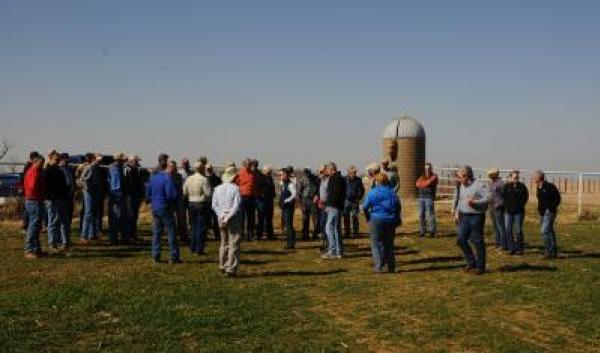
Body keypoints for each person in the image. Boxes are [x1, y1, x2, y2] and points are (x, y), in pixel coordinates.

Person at [453, 166, 490, 275]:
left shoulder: (478, 185)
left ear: (466, 176)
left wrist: (476, 202)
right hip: (464, 217)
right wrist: (456, 213)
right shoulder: (460, 186)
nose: (458, 179)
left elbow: (489, 197)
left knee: (477, 241)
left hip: (476, 216)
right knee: (461, 240)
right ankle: (471, 262)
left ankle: (480, 267)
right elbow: (459, 200)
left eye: (459, 177)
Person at [362, 172, 401, 273]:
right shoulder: (392, 193)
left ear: (377, 182)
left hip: (376, 219)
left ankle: (378, 266)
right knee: (389, 243)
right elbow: (398, 206)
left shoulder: (372, 192)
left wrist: (368, 217)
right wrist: (397, 218)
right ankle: (391, 266)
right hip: (390, 219)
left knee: (376, 244)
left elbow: (365, 207)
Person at [147, 160, 181, 264]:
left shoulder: (154, 178)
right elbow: (172, 195)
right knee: (171, 232)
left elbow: (148, 193)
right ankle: (174, 256)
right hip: (165, 207)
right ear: (170, 169)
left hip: (155, 207)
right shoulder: (168, 179)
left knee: (157, 233)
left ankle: (156, 256)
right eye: (174, 170)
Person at [212, 165, 242, 276]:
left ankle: (222, 264)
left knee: (223, 242)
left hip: (221, 217)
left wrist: (221, 216)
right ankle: (231, 268)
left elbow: (214, 205)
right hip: (232, 217)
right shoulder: (235, 189)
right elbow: (236, 206)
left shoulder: (217, 189)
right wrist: (228, 217)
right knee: (234, 242)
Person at [44, 150, 71, 252]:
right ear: (50, 158)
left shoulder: (59, 170)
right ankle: (52, 244)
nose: (58, 161)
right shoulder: (47, 171)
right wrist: (51, 197)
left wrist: (66, 195)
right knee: (53, 222)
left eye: (58, 159)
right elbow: (46, 188)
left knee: (64, 222)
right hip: (53, 200)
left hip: (62, 199)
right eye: (56, 159)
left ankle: (65, 243)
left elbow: (64, 185)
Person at [183, 161, 212, 255]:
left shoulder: (189, 179)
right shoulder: (204, 179)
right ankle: (199, 249)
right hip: (201, 204)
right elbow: (208, 194)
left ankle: (192, 247)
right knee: (201, 228)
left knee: (193, 227)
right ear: (202, 168)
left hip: (191, 203)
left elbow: (184, 192)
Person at [533, 170, 561, 258]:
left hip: (549, 212)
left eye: (534, 176)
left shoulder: (550, 186)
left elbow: (557, 198)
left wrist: (550, 208)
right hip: (542, 213)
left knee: (544, 231)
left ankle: (548, 251)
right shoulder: (539, 187)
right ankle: (553, 252)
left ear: (539, 177)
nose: (533, 178)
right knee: (549, 231)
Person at [322, 162, 346, 259]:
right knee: (336, 229)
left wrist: (329, 205)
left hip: (334, 207)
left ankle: (332, 251)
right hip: (338, 207)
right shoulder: (341, 178)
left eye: (327, 170)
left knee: (329, 228)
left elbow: (334, 194)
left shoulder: (334, 178)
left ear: (331, 169)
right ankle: (339, 251)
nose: (326, 171)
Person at [502, 170, 529, 255]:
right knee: (508, 229)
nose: (516, 179)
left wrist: (519, 206)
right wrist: (507, 207)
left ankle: (520, 248)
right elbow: (504, 198)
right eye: (514, 177)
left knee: (518, 230)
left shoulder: (522, 187)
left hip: (518, 212)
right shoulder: (506, 187)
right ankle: (511, 248)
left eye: (517, 177)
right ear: (510, 178)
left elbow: (525, 198)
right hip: (508, 212)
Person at [23, 154, 45, 259]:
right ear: (35, 162)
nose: (43, 165)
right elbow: (32, 187)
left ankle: (36, 249)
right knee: (33, 226)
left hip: (34, 200)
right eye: (41, 163)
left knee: (36, 226)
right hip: (34, 201)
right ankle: (29, 250)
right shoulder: (34, 172)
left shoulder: (34, 171)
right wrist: (40, 194)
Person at [78, 153, 102, 243]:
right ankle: (84, 236)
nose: (99, 161)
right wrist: (87, 189)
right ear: (93, 159)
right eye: (97, 159)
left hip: (95, 193)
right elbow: (81, 180)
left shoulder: (96, 168)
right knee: (88, 214)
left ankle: (92, 235)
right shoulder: (89, 168)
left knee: (94, 213)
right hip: (89, 194)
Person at [108, 153, 129, 245]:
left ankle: (122, 237)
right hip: (117, 195)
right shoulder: (115, 169)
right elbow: (117, 184)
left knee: (121, 216)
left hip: (118, 194)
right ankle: (114, 238)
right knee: (117, 216)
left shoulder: (117, 168)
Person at [236, 159, 258, 241]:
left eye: (250, 164)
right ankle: (241, 235)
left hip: (251, 197)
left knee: (251, 217)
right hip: (242, 197)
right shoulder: (240, 173)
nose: (249, 166)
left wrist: (255, 195)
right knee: (241, 218)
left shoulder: (253, 174)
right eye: (248, 164)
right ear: (244, 165)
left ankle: (250, 235)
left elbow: (254, 185)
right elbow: (236, 184)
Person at [124, 155, 145, 240]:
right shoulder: (128, 170)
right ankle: (129, 235)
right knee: (131, 216)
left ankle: (133, 234)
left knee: (134, 216)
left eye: (137, 161)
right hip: (130, 196)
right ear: (131, 161)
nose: (137, 163)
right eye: (136, 161)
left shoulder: (135, 169)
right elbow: (128, 184)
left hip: (135, 196)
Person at [416, 163, 438, 237]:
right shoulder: (421, 176)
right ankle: (422, 231)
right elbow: (417, 184)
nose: (427, 170)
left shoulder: (434, 176)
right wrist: (423, 183)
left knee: (430, 214)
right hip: (421, 197)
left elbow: (427, 183)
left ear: (431, 169)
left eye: (428, 168)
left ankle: (432, 231)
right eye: (426, 168)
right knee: (421, 214)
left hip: (429, 197)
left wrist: (423, 183)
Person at [21, 151, 42, 231]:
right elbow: (32, 185)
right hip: (32, 196)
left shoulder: (30, 168)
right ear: (34, 159)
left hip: (29, 194)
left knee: (29, 212)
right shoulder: (30, 168)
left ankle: (27, 227)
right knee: (29, 213)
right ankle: (25, 227)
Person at [298, 167, 319, 241]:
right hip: (305, 200)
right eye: (305, 172)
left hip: (313, 200)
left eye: (307, 172)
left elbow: (318, 189)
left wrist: (317, 195)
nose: (306, 174)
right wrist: (300, 202)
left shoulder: (316, 179)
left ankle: (315, 234)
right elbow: (299, 191)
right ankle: (305, 235)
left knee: (315, 218)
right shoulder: (302, 179)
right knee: (305, 218)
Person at [344, 165, 365, 238]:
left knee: (355, 217)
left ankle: (355, 233)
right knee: (346, 217)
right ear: (348, 172)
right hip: (346, 201)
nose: (354, 173)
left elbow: (362, 190)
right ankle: (347, 233)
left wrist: (359, 198)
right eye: (352, 172)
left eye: (355, 172)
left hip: (355, 201)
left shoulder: (358, 180)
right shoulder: (344, 180)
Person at [487, 168, 506, 249]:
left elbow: (504, 195)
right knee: (495, 225)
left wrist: (500, 204)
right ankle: (497, 242)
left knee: (500, 225)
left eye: (491, 174)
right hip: (491, 206)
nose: (490, 176)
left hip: (498, 207)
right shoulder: (492, 183)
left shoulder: (501, 183)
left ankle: (503, 243)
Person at [279, 167, 297, 250]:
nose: (280, 176)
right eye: (280, 175)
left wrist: (286, 201)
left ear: (286, 175)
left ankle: (290, 244)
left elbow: (294, 194)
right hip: (285, 207)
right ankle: (291, 242)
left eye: (282, 174)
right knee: (287, 224)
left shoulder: (290, 184)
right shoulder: (283, 184)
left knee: (288, 225)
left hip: (288, 207)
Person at [58, 153, 76, 233]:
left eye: (68, 160)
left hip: (70, 195)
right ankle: (61, 234)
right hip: (63, 196)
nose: (67, 162)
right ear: (61, 160)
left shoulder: (70, 169)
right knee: (62, 215)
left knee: (69, 213)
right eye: (66, 160)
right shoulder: (59, 169)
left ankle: (67, 230)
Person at [206, 164, 222, 240]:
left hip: (215, 201)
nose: (208, 170)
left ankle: (217, 234)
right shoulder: (204, 178)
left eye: (209, 168)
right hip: (207, 201)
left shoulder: (217, 178)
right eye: (207, 169)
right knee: (207, 218)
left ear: (211, 169)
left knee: (215, 218)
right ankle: (207, 234)